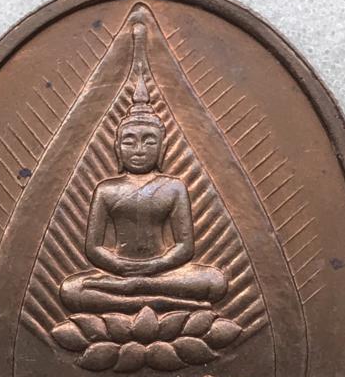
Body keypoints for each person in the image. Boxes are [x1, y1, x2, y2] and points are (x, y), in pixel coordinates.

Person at [60, 71, 227, 313]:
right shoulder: (107, 190)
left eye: (149, 141)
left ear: (162, 147)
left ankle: (134, 293)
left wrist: (155, 266)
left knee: (215, 281)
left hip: (163, 273)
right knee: (70, 288)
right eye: (129, 142)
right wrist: (120, 267)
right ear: (117, 148)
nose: (139, 150)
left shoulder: (173, 187)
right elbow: (93, 248)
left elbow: (185, 246)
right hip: (119, 273)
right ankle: (162, 302)